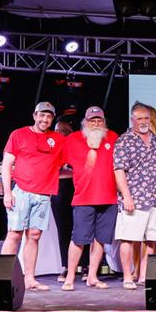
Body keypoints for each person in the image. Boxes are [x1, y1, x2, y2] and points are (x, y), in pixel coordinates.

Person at [0, 102, 66, 291]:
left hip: (44, 195)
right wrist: (7, 192)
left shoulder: (57, 139)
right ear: (34, 115)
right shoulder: (18, 134)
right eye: (41, 115)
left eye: (49, 116)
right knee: (14, 234)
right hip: (21, 191)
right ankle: (4, 277)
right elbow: (7, 164)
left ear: (52, 119)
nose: (45, 119)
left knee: (34, 236)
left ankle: (29, 278)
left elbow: (60, 168)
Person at [60, 106, 119, 291]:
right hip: (83, 197)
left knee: (101, 239)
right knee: (78, 239)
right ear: (85, 122)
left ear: (104, 122)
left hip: (108, 197)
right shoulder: (73, 139)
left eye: (99, 120)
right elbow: (58, 164)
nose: (95, 123)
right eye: (92, 120)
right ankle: (70, 276)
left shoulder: (113, 138)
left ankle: (92, 276)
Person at [113, 102, 156, 289]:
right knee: (128, 237)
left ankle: (143, 275)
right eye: (139, 118)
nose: (143, 122)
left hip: (153, 198)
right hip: (134, 197)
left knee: (151, 239)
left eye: (146, 118)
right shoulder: (125, 140)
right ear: (132, 119)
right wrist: (126, 196)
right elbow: (119, 170)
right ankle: (127, 276)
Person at [52, 116, 76, 281]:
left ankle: (86, 265)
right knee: (63, 230)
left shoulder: (77, 147)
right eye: (57, 130)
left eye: (64, 131)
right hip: (59, 190)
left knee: (82, 228)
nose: (60, 133)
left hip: (78, 189)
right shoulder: (50, 147)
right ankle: (66, 266)